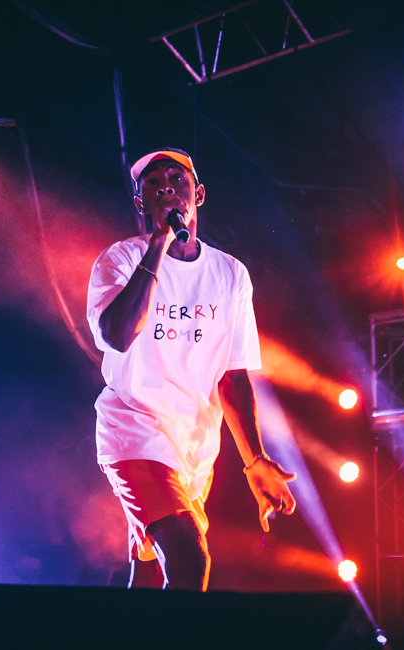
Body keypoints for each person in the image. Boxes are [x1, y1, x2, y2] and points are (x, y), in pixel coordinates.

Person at [86, 147, 297, 591]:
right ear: (141, 202)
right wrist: (159, 245)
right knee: (189, 554)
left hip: (194, 447)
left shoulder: (231, 274)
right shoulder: (120, 260)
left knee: (152, 567)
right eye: (154, 182)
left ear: (198, 194)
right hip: (134, 429)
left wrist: (255, 459)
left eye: (178, 179)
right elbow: (119, 335)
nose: (167, 186)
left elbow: (233, 376)